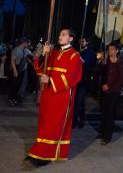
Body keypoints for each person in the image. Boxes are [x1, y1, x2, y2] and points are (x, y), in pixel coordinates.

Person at [24, 29, 82, 167]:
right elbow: (41, 69)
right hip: (48, 94)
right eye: (60, 34)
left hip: (61, 96)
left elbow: (72, 78)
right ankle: (38, 151)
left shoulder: (75, 56)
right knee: (44, 123)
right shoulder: (54, 52)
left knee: (53, 125)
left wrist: (50, 80)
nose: (60, 37)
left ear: (71, 38)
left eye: (64, 35)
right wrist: (44, 54)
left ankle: (45, 155)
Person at [100, 43, 123, 145]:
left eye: (112, 49)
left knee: (110, 114)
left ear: (116, 51)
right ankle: (102, 133)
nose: (109, 51)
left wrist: (110, 86)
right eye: (109, 49)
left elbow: (122, 79)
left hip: (113, 92)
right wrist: (100, 64)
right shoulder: (105, 62)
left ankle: (107, 136)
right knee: (103, 112)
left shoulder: (121, 63)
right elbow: (98, 74)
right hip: (104, 91)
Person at [72, 38, 96, 129]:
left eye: (83, 41)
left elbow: (84, 61)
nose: (81, 42)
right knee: (78, 101)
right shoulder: (80, 52)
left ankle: (75, 122)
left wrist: (76, 55)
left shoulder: (90, 52)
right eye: (80, 41)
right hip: (76, 80)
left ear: (87, 42)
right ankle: (81, 119)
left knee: (78, 101)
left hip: (84, 81)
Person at [8, 38, 28, 106]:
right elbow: (12, 60)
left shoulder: (24, 50)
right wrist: (15, 70)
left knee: (18, 85)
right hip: (16, 68)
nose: (27, 44)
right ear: (23, 43)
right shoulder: (16, 50)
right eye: (26, 43)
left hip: (21, 69)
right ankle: (11, 99)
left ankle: (15, 98)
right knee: (14, 84)